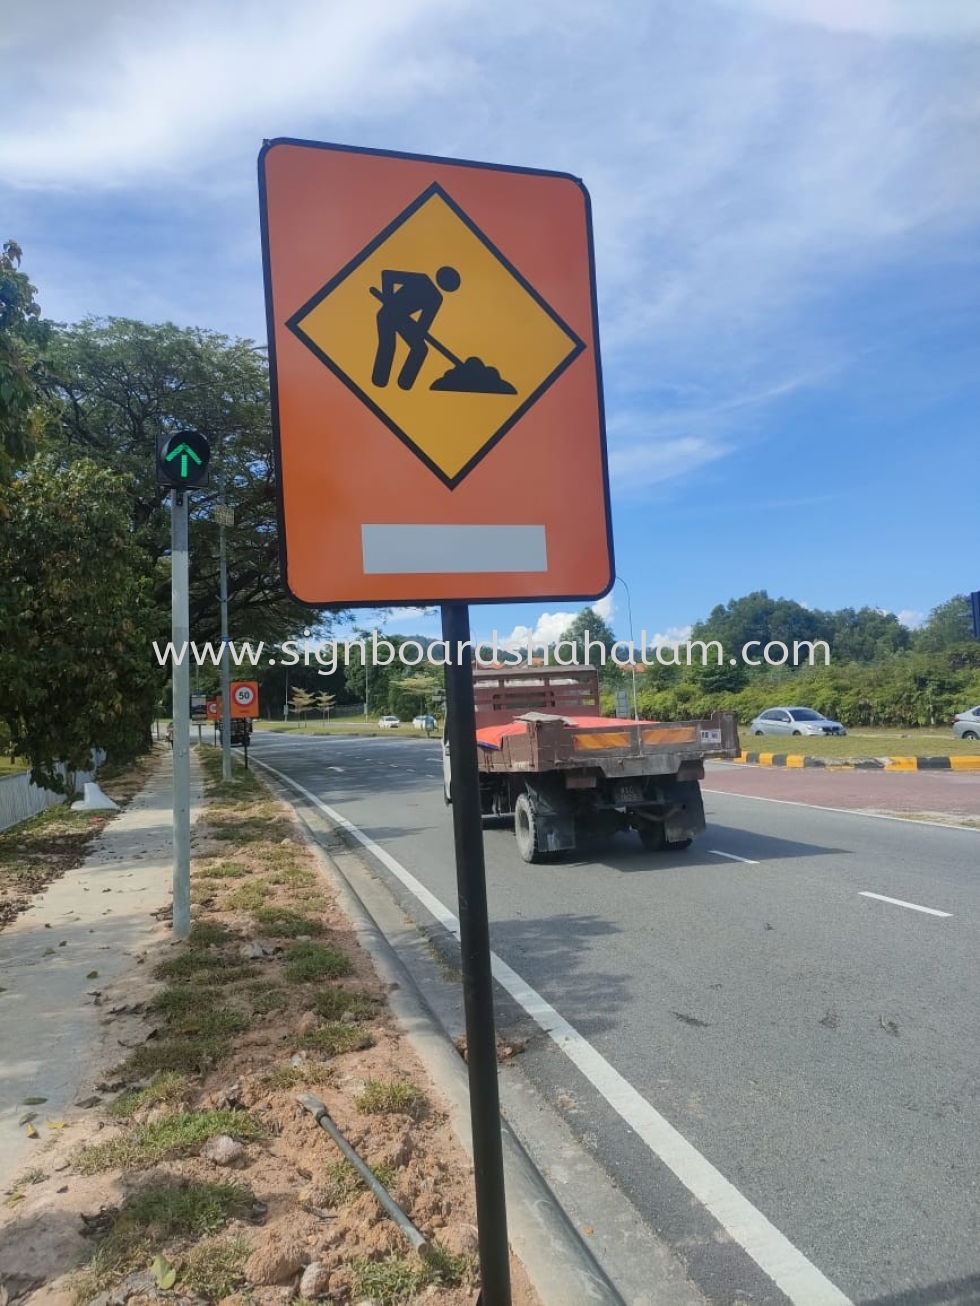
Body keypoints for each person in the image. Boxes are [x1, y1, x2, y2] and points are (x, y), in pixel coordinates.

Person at [371, 266, 460, 390]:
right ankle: (379, 381)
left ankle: (404, 383)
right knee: (389, 344)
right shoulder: (421, 280)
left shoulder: (436, 298)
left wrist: (418, 332)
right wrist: (389, 299)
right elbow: (387, 275)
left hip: (402, 320)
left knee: (420, 348)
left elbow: (423, 324)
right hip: (387, 314)